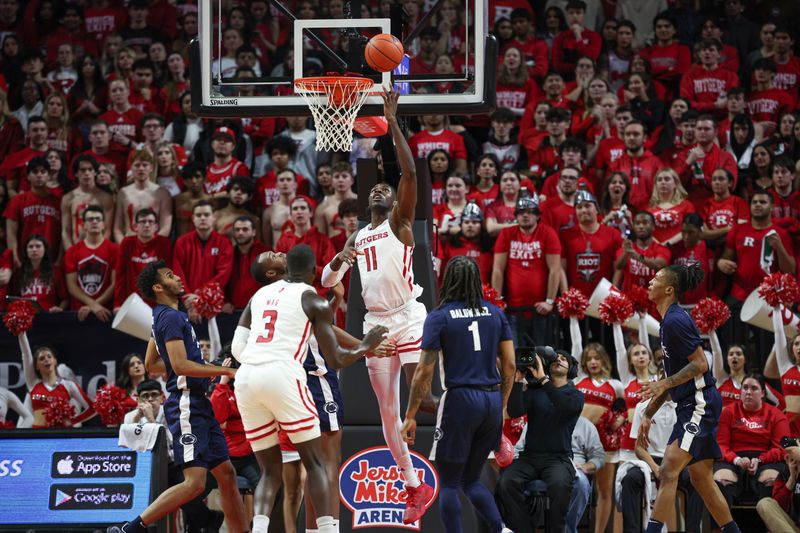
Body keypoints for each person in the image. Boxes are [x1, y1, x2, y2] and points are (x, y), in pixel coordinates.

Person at [321, 88, 437, 524]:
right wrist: (337, 262)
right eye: (377, 189)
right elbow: (326, 281)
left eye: (387, 190)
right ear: (368, 197)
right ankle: (413, 486)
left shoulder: (400, 222)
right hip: (374, 326)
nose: (381, 192)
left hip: (408, 316)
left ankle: (493, 421)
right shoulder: (357, 236)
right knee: (388, 417)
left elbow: (408, 172)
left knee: (421, 399)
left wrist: (393, 123)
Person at [231, 245, 388, 533]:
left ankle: (260, 529)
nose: (275, 251)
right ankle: (328, 529)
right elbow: (337, 358)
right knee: (317, 462)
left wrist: (258, 359)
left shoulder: (259, 296)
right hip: (290, 376)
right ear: (314, 270)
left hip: (246, 379)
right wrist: (367, 344)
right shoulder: (311, 299)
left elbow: (236, 348)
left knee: (270, 471)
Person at [107, 261, 247, 533]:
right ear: (158, 287)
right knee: (195, 482)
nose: (178, 277)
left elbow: (152, 364)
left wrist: (202, 368)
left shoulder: (167, 315)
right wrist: (224, 369)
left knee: (227, 474)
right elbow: (180, 366)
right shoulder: (170, 318)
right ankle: (131, 528)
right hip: (186, 404)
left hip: (199, 402)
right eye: (170, 275)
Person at [401, 255, 516, 533]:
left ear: (447, 281)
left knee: (450, 482)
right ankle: (502, 529)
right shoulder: (495, 313)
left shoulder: (439, 317)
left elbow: (423, 372)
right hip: (490, 400)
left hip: (461, 399)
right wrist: (501, 407)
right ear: (477, 281)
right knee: (471, 480)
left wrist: (411, 416)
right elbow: (510, 365)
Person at [638, 263, 742, 533]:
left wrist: (664, 383)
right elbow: (673, 379)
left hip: (700, 402)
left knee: (669, 469)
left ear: (669, 289)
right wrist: (648, 414)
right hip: (690, 402)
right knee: (702, 480)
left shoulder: (675, 320)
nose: (650, 282)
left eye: (656, 278)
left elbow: (700, 365)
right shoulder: (666, 322)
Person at [497, 348, 584, 532]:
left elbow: (563, 407)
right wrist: (518, 380)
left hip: (558, 458)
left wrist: (544, 379)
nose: (558, 360)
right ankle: (525, 529)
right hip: (530, 457)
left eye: (564, 359)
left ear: (571, 369)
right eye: (555, 358)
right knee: (506, 482)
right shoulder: (536, 391)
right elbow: (514, 411)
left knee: (559, 485)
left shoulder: (575, 395)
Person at [491, 195, 561, 347]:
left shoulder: (548, 234)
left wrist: (549, 301)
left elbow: (555, 269)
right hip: (513, 310)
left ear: (537, 215)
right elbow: (498, 269)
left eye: (530, 211)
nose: (525, 215)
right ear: (516, 215)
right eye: (521, 211)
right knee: (516, 357)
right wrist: (496, 301)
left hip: (541, 310)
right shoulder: (507, 234)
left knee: (541, 356)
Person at [713, 373, 789, 510]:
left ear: (762, 393)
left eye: (754, 388)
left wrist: (760, 460)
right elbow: (721, 445)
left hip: (765, 460)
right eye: (745, 388)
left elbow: (781, 448)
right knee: (721, 479)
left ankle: (770, 527)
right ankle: (722, 529)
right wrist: (737, 460)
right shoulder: (728, 412)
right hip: (733, 459)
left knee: (771, 479)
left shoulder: (776, 415)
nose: (748, 392)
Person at [16, 331, 95, 427]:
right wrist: (21, 332)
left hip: (61, 436)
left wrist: (74, 421)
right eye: (41, 358)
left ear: (55, 361)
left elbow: (92, 409)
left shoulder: (68, 385)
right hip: (37, 437)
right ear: (36, 366)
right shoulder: (33, 383)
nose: (46, 359)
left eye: (49, 356)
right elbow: (26, 354)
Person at [63, 204, 118, 321]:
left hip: (106, 313)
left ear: (104, 225)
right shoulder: (72, 251)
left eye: (98, 219)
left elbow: (115, 284)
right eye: (90, 219)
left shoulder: (115, 250)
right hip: (79, 313)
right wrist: (92, 305)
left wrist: (93, 305)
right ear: (83, 225)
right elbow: (71, 286)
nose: (94, 222)